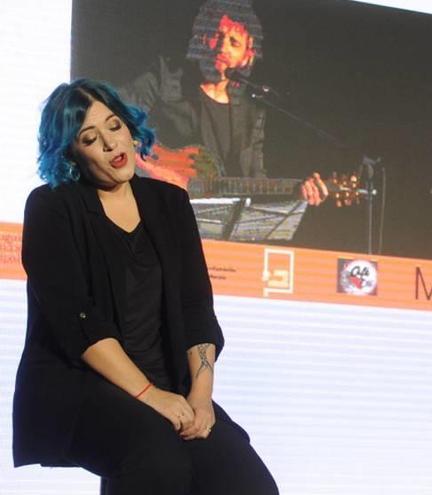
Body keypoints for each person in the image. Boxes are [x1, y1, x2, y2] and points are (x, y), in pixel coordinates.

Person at [12, 79, 278, 495]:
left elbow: (196, 309)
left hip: (170, 384)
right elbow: (77, 320)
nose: (110, 144)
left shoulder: (169, 202)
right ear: (70, 153)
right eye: (89, 137)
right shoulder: (51, 207)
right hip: (86, 385)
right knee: (155, 454)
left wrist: (201, 397)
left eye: (114, 126)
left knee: (244, 481)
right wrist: (150, 395)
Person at [120, 0, 327, 205]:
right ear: (202, 38)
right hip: (151, 206)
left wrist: (297, 192)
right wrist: (152, 170)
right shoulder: (165, 77)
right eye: (215, 35)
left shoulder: (251, 115)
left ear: (247, 56)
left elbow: (257, 182)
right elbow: (110, 122)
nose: (221, 47)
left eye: (234, 42)